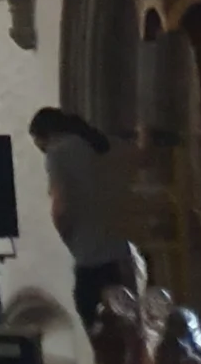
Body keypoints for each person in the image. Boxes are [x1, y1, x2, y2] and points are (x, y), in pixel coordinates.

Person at [29, 107, 130, 332]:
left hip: (91, 256)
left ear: (46, 135)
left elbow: (61, 205)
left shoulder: (57, 154)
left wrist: (64, 232)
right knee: (126, 332)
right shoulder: (95, 145)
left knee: (98, 329)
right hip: (121, 253)